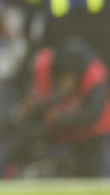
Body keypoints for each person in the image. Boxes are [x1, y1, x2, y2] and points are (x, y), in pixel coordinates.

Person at [27, 38, 110, 177]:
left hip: (92, 134)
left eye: (71, 76)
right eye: (64, 75)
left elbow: (94, 114)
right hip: (61, 134)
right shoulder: (45, 64)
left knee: (91, 175)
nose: (67, 80)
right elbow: (42, 98)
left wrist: (62, 117)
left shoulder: (95, 76)